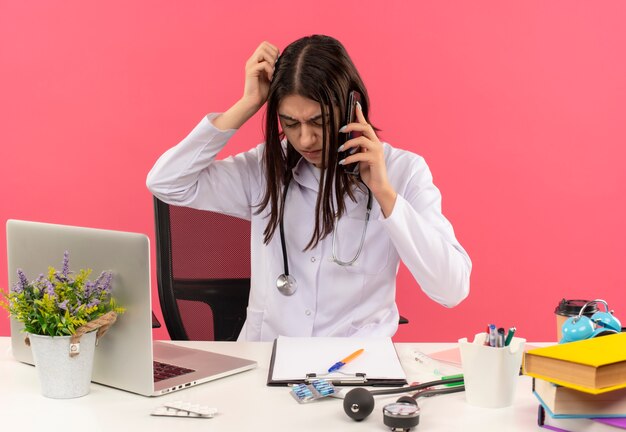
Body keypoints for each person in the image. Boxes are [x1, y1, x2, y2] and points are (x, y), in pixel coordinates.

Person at [146, 35, 471, 342]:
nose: (304, 139)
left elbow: (452, 288)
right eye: (290, 123)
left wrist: (385, 195)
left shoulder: (404, 172)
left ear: (351, 107)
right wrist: (247, 103)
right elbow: (166, 181)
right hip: (267, 364)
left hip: (354, 367)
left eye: (318, 122)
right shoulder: (263, 169)